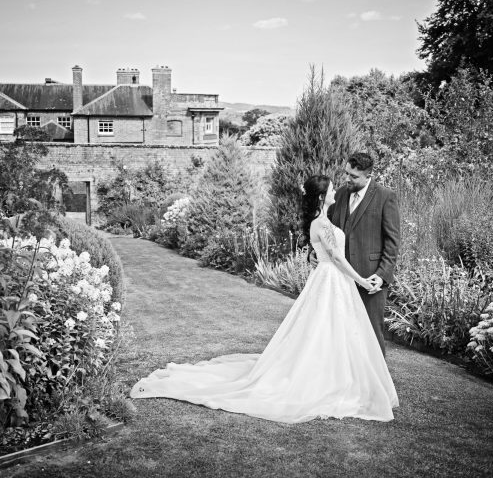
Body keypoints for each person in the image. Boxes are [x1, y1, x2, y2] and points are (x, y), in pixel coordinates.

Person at [130, 174, 398, 423]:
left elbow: (328, 252)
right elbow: (337, 258)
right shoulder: (321, 223)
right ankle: (326, 380)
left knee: (332, 330)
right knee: (323, 329)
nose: (335, 192)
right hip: (331, 279)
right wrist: (362, 280)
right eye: (330, 190)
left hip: (331, 280)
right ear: (321, 197)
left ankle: (339, 376)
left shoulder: (324, 221)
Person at [320, 152, 400, 356]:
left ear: (368, 175)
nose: (347, 179)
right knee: (341, 332)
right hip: (341, 277)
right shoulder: (340, 195)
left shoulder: (385, 196)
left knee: (371, 333)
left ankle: (377, 385)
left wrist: (382, 275)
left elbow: (392, 242)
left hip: (370, 277)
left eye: (353, 176)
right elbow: (327, 230)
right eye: (347, 173)